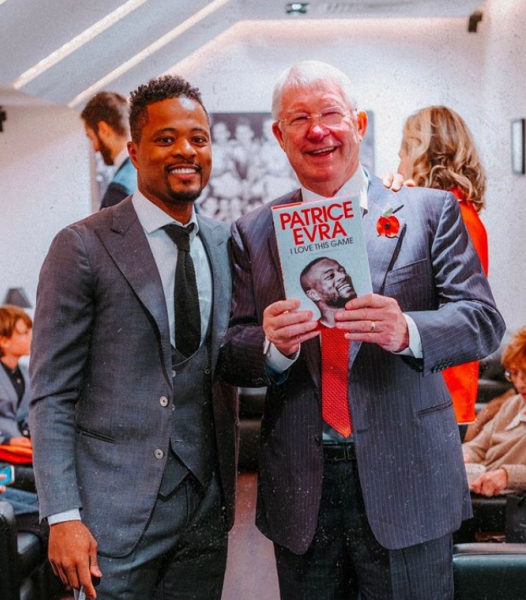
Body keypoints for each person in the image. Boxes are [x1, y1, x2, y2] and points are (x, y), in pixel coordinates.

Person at [219, 60, 505, 599]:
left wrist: (408, 330)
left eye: (331, 113)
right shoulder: (254, 232)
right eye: (299, 118)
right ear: (279, 135)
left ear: (359, 124)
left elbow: (483, 322)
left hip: (409, 483)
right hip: (302, 493)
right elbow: (231, 349)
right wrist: (270, 346)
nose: (317, 130)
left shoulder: (429, 212)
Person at [30, 75, 237, 600]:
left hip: (205, 512)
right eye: (166, 139)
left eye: (198, 138)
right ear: (135, 150)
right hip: (110, 522)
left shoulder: (222, 241)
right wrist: (62, 515)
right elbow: (51, 393)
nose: (185, 150)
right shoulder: (82, 245)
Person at [398, 106, 488, 425]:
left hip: (441, 390)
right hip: (438, 387)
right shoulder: (453, 214)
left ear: (422, 155)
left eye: (403, 150)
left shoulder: (455, 219)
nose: (399, 160)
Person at [463, 327, 526, 497]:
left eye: (525, 374)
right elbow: (478, 446)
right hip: (479, 490)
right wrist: (464, 456)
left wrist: (507, 476)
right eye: (514, 374)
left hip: (507, 501)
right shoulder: (513, 405)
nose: (520, 383)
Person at [81, 91, 137, 209]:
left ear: (103, 130)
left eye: (92, 138)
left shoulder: (119, 190)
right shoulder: (148, 171)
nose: (95, 148)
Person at [0, 305, 32, 448]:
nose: (32, 336)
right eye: (25, 333)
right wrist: (4, 440)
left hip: (22, 451)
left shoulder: (26, 372)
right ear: (4, 341)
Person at [300, 258, 357, 326]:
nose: (343, 276)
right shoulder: (311, 331)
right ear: (313, 295)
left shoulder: (366, 319)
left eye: (342, 271)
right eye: (330, 276)